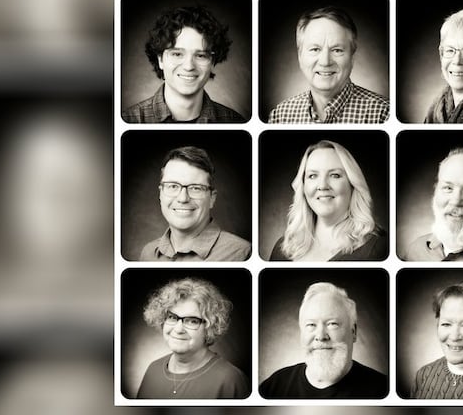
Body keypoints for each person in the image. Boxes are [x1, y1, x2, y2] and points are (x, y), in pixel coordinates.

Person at [259, 282, 387, 398]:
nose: (320, 336)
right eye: (311, 325)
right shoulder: (273, 388)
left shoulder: (383, 389)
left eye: (332, 324)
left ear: (353, 332)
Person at [269, 140, 388, 261]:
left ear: (352, 184)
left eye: (335, 175)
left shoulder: (380, 248)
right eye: (312, 176)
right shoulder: (282, 249)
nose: (322, 185)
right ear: (303, 187)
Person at [123, 5, 245, 123]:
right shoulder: (129, 119)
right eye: (177, 54)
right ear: (160, 59)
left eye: (201, 55)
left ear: (213, 62)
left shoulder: (235, 121)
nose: (189, 66)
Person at [268, 6, 389, 124]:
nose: (325, 62)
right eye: (315, 49)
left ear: (352, 58)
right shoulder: (280, 116)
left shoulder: (383, 115)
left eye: (337, 50)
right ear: (300, 56)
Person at [137, 277, 249, 399]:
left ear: (209, 327)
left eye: (192, 321)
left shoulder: (231, 380)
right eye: (172, 317)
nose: (178, 329)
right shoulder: (153, 369)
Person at [140, 146, 250, 261]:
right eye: (173, 186)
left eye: (195, 188)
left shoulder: (241, 253)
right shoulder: (147, 253)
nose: (183, 198)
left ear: (212, 198)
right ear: (160, 194)